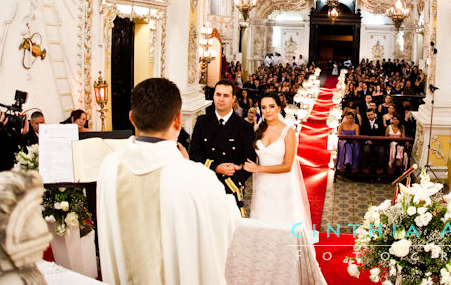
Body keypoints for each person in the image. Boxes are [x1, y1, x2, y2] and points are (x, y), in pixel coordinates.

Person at [97, 78, 239, 284]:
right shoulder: (196, 178)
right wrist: (189, 166)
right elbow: (228, 219)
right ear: (178, 120)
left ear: (132, 119)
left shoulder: (109, 167)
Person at [243, 93, 316, 240]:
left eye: (271, 106)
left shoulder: (288, 131)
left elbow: (288, 166)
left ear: (278, 107)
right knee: (262, 224)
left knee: (282, 225)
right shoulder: (258, 129)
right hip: (262, 186)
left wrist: (258, 169)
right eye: (263, 107)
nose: (267, 111)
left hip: (282, 185)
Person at [189, 79, 256, 210]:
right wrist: (216, 167)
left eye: (226, 96)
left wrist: (230, 185)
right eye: (218, 94)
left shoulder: (244, 127)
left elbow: (250, 161)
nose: (221, 99)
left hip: (230, 188)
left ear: (233, 99)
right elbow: (194, 154)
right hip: (204, 185)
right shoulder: (202, 122)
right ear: (213, 96)